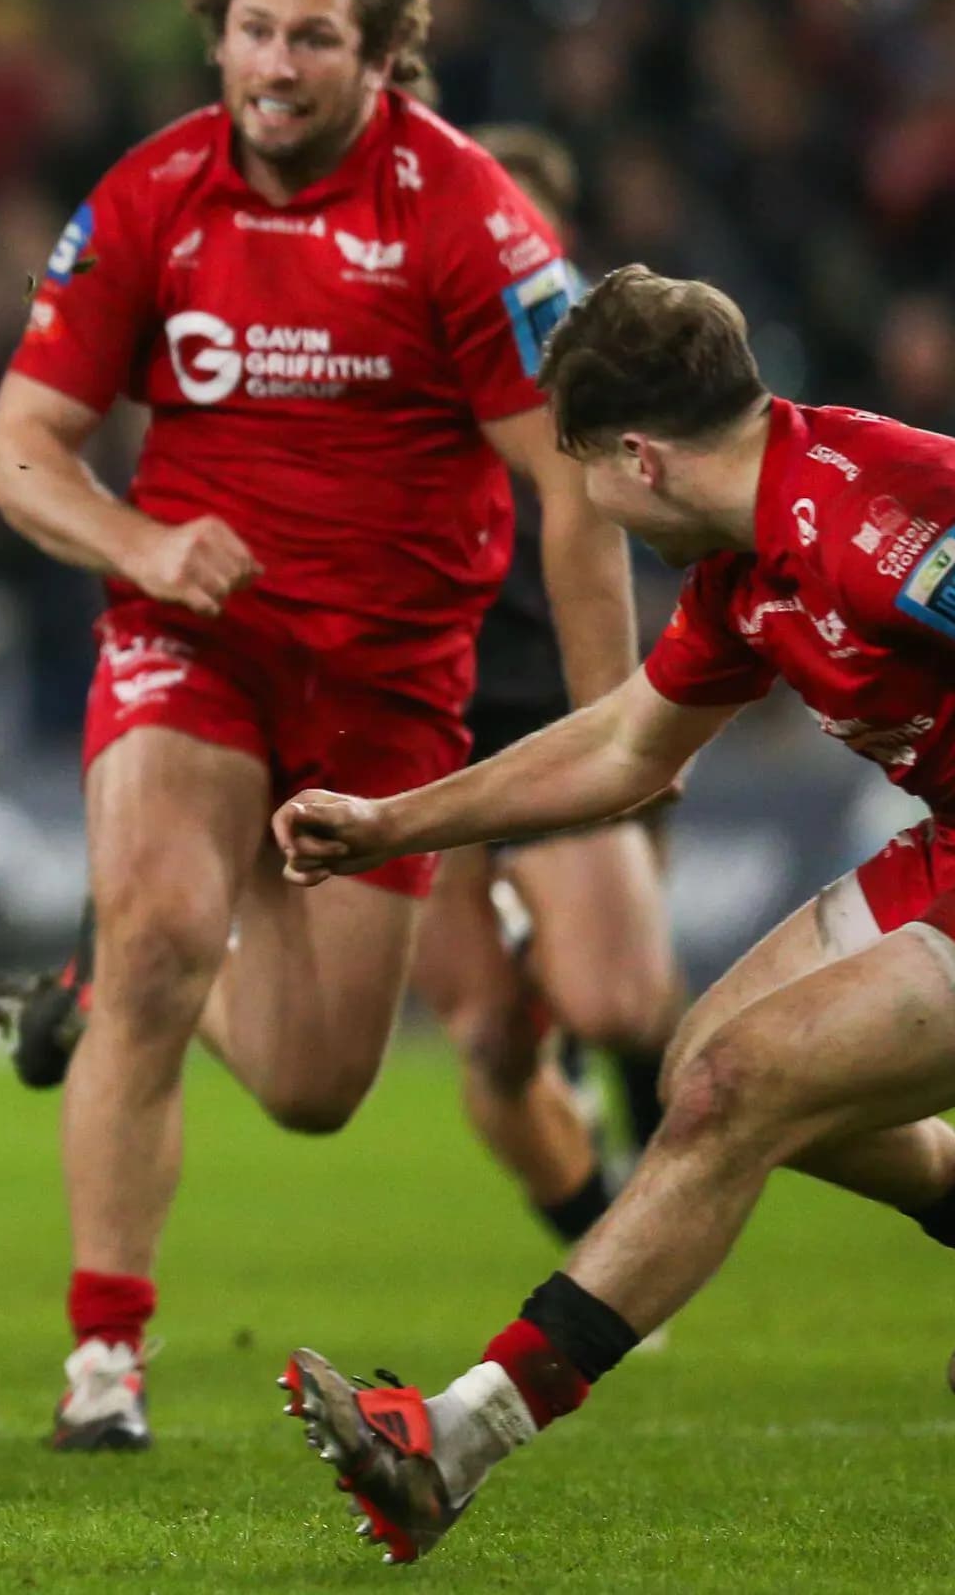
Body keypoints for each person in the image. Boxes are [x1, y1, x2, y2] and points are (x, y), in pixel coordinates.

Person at [0, 0, 636, 1452]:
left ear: (381, 50)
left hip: (391, 686)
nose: (277, 65)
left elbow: (574, 484)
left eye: (315, 38)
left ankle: (116, 968)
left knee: (315, 1088)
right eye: (255, 30)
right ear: (216, 30)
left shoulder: (467, 213)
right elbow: (18, 449)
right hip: (191, 641)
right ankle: (104, 1362)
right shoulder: (149, 195)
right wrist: (142, 546)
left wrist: (618, 728)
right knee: (161, 929)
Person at [277, 266, 955, 1563]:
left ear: (637, 459)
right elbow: (624, 751)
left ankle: (456, 1438)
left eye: (576, 474)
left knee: (738, 1086)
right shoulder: (744, 566)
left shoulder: (879, 528)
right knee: (698, 1070)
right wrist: (390, 823)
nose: (581, 506)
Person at [412, 124, 681, 1248]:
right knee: (487, 1034)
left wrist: (626, 717)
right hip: (419, 708)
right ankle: (602, 1246)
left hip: (549, 694)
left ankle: (660, 1164)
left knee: (620, 999)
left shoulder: (592, 376)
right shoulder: (399, 350)